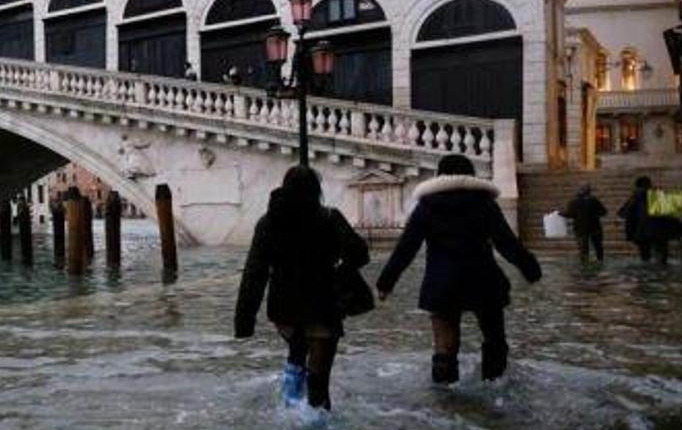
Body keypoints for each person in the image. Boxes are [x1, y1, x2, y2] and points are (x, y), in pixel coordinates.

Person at [376, 154, 541, 384]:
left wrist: (386, 282)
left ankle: (446, 399)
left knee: (445, 344)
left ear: (439, 175)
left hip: (442, 283)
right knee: (494, 338)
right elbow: (506, 242)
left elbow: (406, 248)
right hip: (484, 280)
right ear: (470, 174)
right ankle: (494, 388)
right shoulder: (484, 204)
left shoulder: (427, 206)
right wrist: (530, 269)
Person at [234, 165, 369, 411]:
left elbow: (255, 274)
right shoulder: (329, 218)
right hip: (323, 307)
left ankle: (289, 409)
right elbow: (360, 254)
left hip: (284, 310)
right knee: (320, 380)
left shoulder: (268, 223)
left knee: (297, 352)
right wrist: (338, 266)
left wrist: (244, 322)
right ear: (316, 190)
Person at [561, 184, 606, 263]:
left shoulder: (574, 202)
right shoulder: (594, 201)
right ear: (589, 192)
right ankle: (600, 259)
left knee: (583, 248)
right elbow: (603, 212)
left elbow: (570, 214)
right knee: (597, 245)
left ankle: (584, 262)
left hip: (580, 228)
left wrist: (561, 213)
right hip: (594, 227)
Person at [619, 176, 655, 261]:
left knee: (644, 250)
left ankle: (646, 262)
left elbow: (625, 211)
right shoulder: (653, 195)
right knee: (651, 248)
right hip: (653, 227)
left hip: (640, 228)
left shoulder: (636, 196)